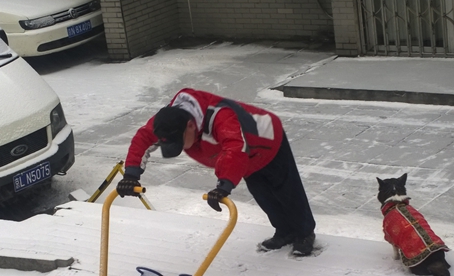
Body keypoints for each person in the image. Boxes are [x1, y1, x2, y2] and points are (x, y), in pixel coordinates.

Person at [116, 88, 317, 256]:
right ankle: (284, 231)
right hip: (244, 154)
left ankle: (305, 233)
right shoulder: (167, 121)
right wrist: (131, 175)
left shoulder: (221, 116)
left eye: (180, 141)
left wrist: (224, 186)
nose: (181, 148)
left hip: (266, 140)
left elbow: (234, 148)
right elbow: (142, 139)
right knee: (263, 193)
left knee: (286, 189)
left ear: (190, 125)